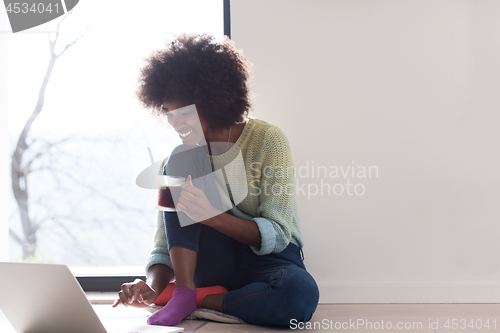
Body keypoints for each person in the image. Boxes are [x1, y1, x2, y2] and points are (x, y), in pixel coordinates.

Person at [113, 34, 319, 327]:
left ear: (212, 102)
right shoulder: (179, 160)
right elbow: (164, 242)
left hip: (268, 260)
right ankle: (183, 292)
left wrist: (212, 216)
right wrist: (152, 286)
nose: (175, 124)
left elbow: (278, 233)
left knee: (298, 294)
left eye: (183, 113)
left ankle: (196, 300)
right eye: (168, 114)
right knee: (180, 159)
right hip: (211, 260)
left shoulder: (267, 141)